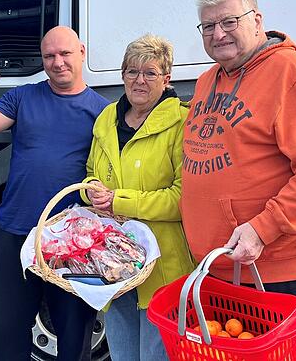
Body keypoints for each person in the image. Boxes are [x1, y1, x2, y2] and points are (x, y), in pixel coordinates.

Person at [179, 0, 296, 361]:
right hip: (226, 271)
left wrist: (263, 228)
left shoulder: (295, 74)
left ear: (257, 20)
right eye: (208, 26)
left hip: (283, 274)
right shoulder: (208, 80)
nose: (218, 33)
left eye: (229, 21)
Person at [0, 25, 109, 361]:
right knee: (6, 333)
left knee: (74, 337)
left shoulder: (102, 111)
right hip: (18, 232)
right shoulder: (22, 97)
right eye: (49, 56)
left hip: (72, 243)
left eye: (65, 53)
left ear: (82, 52)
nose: (58, 62)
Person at [81, 34, 196, 361]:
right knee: (123, 356)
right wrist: (91, 188)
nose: (139, 80)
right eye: (132, 71)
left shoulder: (182, 122)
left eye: (150, 73)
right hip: (113, 264)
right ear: (122, 75)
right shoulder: (107, 118)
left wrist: (118, 201)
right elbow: (91, 170)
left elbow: (181, 199)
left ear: (166, 79)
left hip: (162, 267)